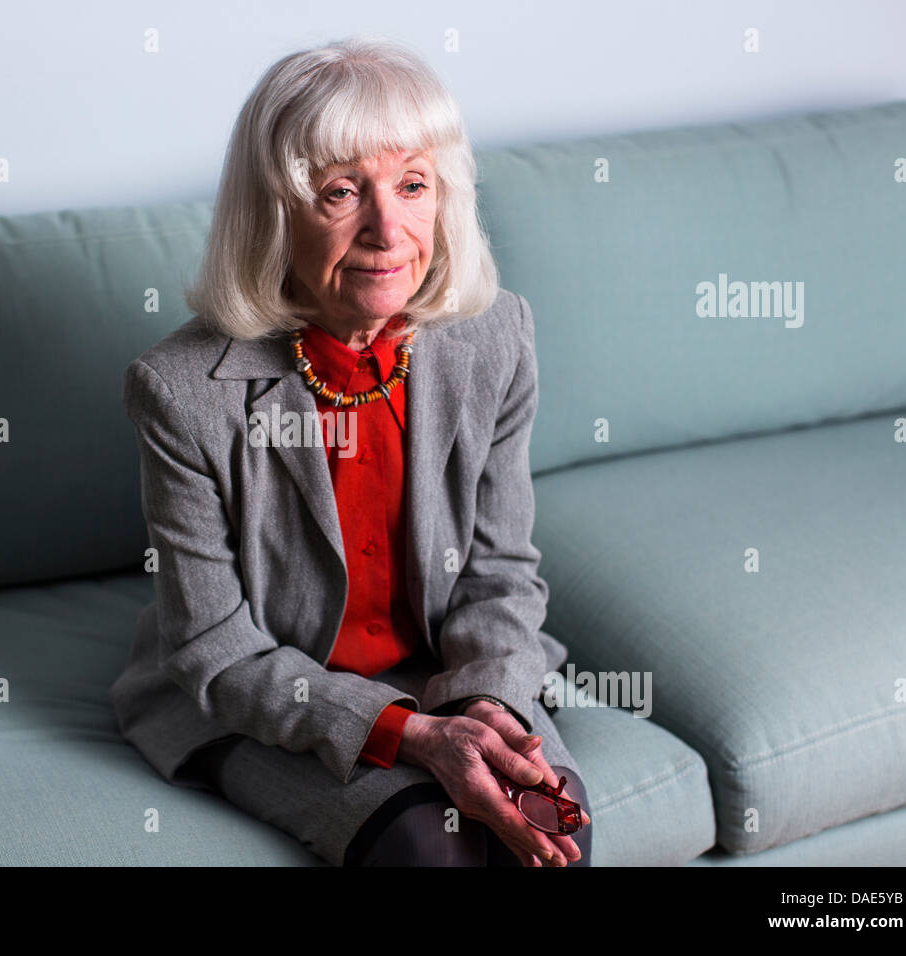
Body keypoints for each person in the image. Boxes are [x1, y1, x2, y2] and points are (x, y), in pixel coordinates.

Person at [109, 35, 592, 867]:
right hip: (267, 690)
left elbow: (500, 571)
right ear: (275, 211)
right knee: (425, 848)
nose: (387, 228)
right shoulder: (181, 390)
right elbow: (217, 650)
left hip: (450, 669)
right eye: (341, 191)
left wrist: (484, 710)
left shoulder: (495, 337)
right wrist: (411, 735)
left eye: (413, 185)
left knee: (555, 826)